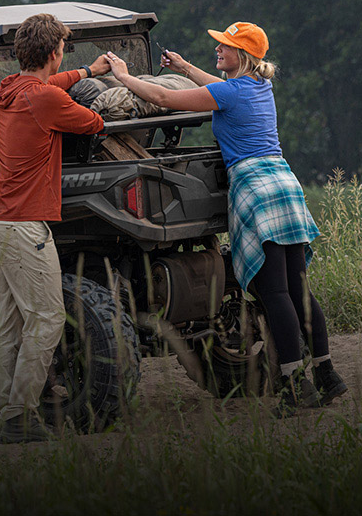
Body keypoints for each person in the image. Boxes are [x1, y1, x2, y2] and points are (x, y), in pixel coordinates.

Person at [103, 22, 347, 418]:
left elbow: (163, 97)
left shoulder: (229, 93)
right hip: (284, 184)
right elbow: (215, 88)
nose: (217, 49)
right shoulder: (258, 86)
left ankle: (291, 384)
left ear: (243, 55)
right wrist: (185, 67)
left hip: (255, 189)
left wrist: (124, 76)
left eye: (225, 46)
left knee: (275, 294)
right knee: (299, 289)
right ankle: (327, 374)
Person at [0, 13, 110, 443]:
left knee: (5, 324)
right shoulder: (46, 100)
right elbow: (94, 122)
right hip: (24, 226)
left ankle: (7, 413)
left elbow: (47, 85)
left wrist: (87, 71)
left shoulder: (9, 89)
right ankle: (20, 415)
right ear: (55, 52)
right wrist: (96, 86)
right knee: (49, 318)